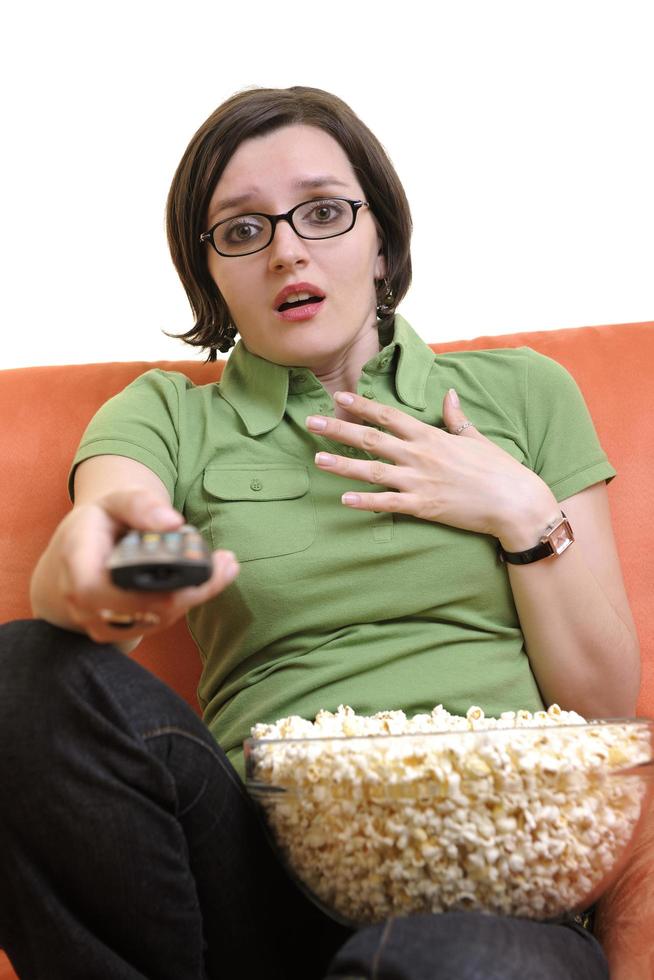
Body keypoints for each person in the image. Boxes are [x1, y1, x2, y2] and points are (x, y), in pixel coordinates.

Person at [0, 85, 639, 980]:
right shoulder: (171, 418)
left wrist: (522, 511)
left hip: (487, 875)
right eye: (243, 229)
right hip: (251, 885)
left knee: (433, 962)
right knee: (21, 671)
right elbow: (106, 532)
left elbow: (606, 710)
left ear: (382, 239)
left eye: (324, 212)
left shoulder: (523, 395)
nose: (287, 250)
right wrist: (116, 563)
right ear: (211, 272)